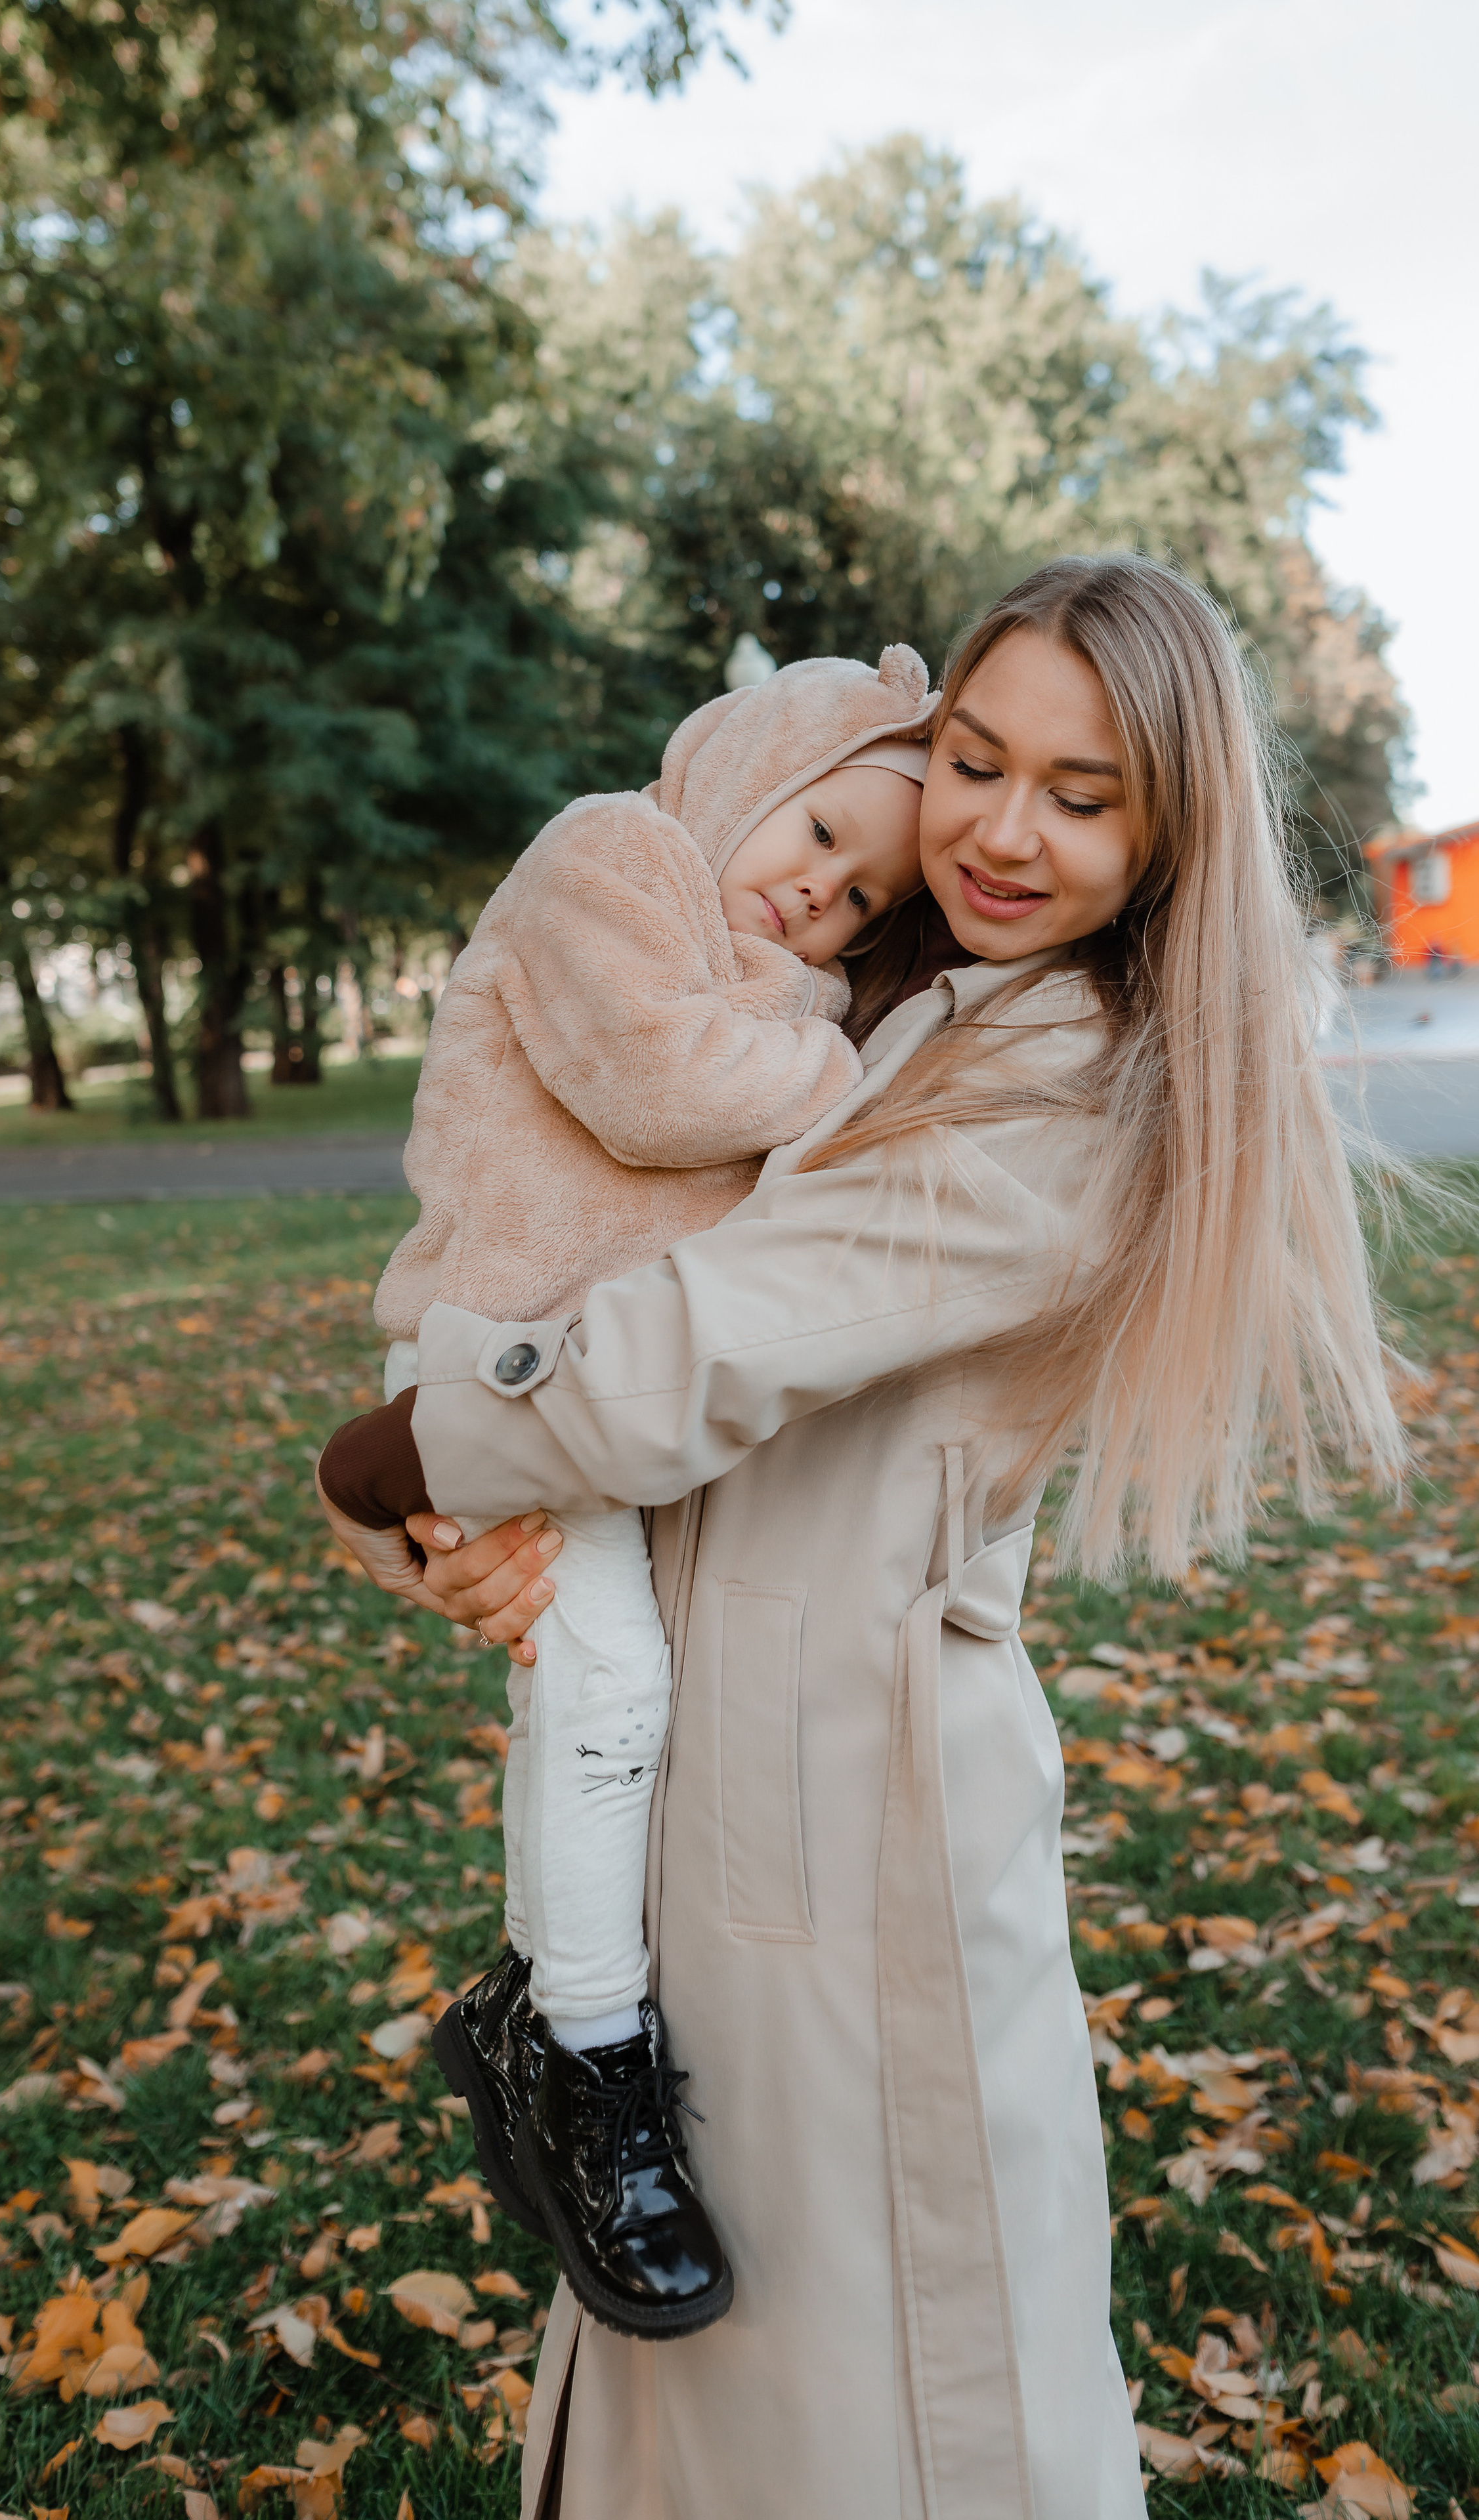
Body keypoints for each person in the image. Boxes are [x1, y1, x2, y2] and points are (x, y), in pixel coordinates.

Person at [319, 555, 1403, 2519]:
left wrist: (388, 1456)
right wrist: (468, 1529)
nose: (998, 828)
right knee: (701, 2375)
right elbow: (605, 1276)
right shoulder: (894, 1011)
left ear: (1171, 828)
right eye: (973, 762)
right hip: (711, 1758)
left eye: (1081, 795)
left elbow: (681, 1359)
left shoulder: (1078, 1082)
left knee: (890, 2397)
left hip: (860, 1813)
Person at [321, 644, 935, 2339]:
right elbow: (657, 1085)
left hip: (591, 1387)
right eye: (813, 831)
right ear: (742, 770)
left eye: (861, 902)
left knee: (592, 1699)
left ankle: (528, 2003)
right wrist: (858, 1074)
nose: (816, 896)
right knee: (609, 1683)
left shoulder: (758, 961)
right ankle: (592, 2060)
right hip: (497, 1367)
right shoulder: (613, 854)